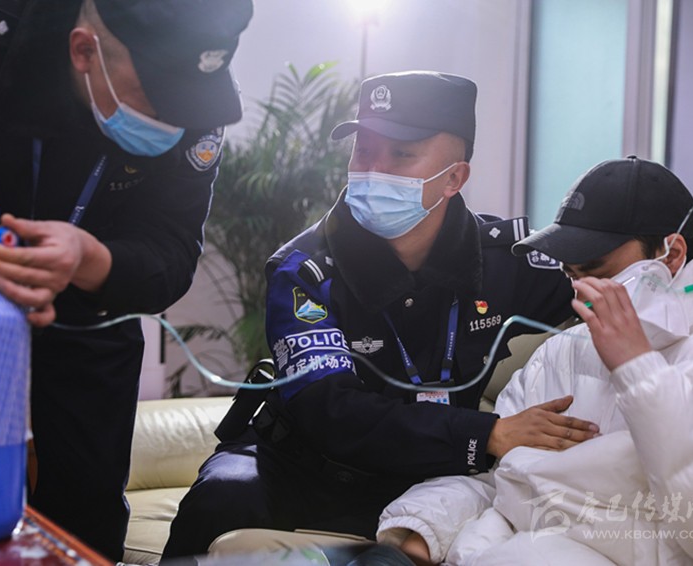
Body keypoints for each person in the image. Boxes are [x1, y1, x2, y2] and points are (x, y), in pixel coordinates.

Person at [162, 71, 601, 560]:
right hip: (300, 465)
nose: (374, 169)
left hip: (432, 476)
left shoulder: (507, 260)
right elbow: (331, 412)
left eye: (401, 154)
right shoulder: (305, 269)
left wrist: (666, 271)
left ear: (454, 178)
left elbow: (613, 285)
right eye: (364, 151)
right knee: (222, 497)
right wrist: (488, 435)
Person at [0, 0, 252, 560]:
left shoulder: (198, 95)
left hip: (89, 309)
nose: (178, 117)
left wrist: (91, 259)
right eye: (155, 94)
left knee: (87, 513)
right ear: (84, 50)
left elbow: (173, 249)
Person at [378, 157, 693, 565]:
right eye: (571, 274)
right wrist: (421, 527)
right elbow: (500, 480)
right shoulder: (562, 352)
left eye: (596, 270)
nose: (580, 294)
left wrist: (639, 369)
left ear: (671, 255)